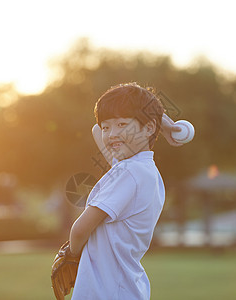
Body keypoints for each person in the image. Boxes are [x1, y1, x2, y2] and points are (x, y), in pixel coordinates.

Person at [68, 82, 181, 299]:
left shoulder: (128, 173)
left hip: (107, 292)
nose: (111, 134)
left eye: (122, 124)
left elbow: (80, 229)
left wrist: (73, 255)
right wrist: (162, 124)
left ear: (148, 128)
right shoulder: (140, 169)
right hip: (123, 289)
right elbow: (95, 129)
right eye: (107, 127)